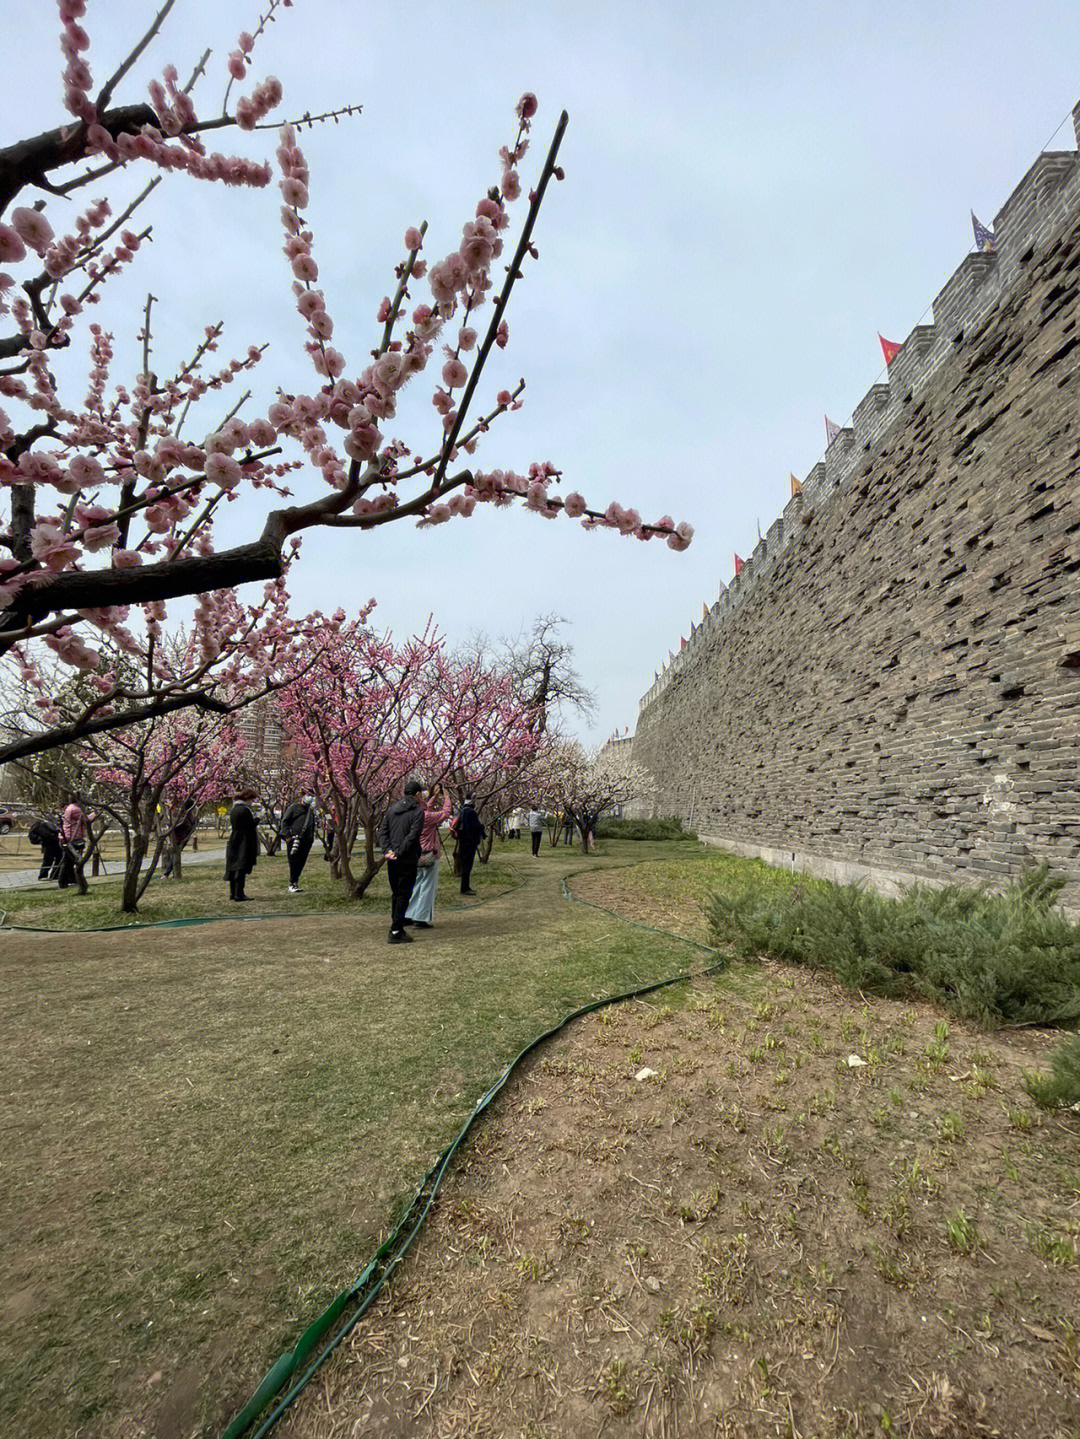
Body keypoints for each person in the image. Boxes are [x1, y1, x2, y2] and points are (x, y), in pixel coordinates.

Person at [377, 778, 425, 943]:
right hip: (407, 858)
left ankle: (397, 922)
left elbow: (382, 831)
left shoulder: (392, 810)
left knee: (396, 893)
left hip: (392, 858)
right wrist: (398, 852)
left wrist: (387, 850)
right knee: (404, 893)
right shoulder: (417, 812)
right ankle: (396, 930)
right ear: (417, 794)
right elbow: (412, 836)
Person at [404, 785, 453, 927]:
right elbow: (445, 813)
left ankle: (411, 914)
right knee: (427, 887)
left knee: (417, 885)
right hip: (429, 854)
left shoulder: (412, 813)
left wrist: (435, 796)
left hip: (415, 854)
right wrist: (447, 797)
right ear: (417, 795)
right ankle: (421, 918)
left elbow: (426, 808)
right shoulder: (425, 817)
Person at [224, 788, 259, 901]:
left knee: (233, 867)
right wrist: (258, 819)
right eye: (251, 799)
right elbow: (249, 825)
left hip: (234, 839)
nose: (252, 802)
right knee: (241, 867)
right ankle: (239, 894)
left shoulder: (234, 809)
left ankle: (233, 893)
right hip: (243, 841)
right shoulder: (244, 810)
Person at [281, 792, 318, 893]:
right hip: (294, 839)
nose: (310, 798)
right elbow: (284, 822)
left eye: (312, 796)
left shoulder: (311, 810)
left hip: (307, 840)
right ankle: (292, 883)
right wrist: (287, 836)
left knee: (301, 862)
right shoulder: (294, 807)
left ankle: (295, 882)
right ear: (302, 797)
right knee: (293, 861)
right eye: (308, 795)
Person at [454, 794, 486, 895]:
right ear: (472, 800)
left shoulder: (463, 810)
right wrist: (482, 827)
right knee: (467, 865)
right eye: (475, 799)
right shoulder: (471, 812)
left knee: (465, 865)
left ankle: (465, 887)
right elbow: (475, 827)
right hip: (470, 842)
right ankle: (465, 888)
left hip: (463, 842)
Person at [57, 798, 88, 888]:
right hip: (71, 838)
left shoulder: (70, 808)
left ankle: (72, 880)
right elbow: (86, 819)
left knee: (70, 861)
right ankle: (62, 882)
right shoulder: (75, 809)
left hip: (67, 837)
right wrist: (96, 814)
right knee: (68, 861)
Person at [29, 816, 62, 880]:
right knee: (48, 859)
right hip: (49, 842)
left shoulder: (50, 820)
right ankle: (43, 875)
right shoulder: (45, 822)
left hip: (53, 842)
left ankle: (54, 875)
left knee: (58, 858)